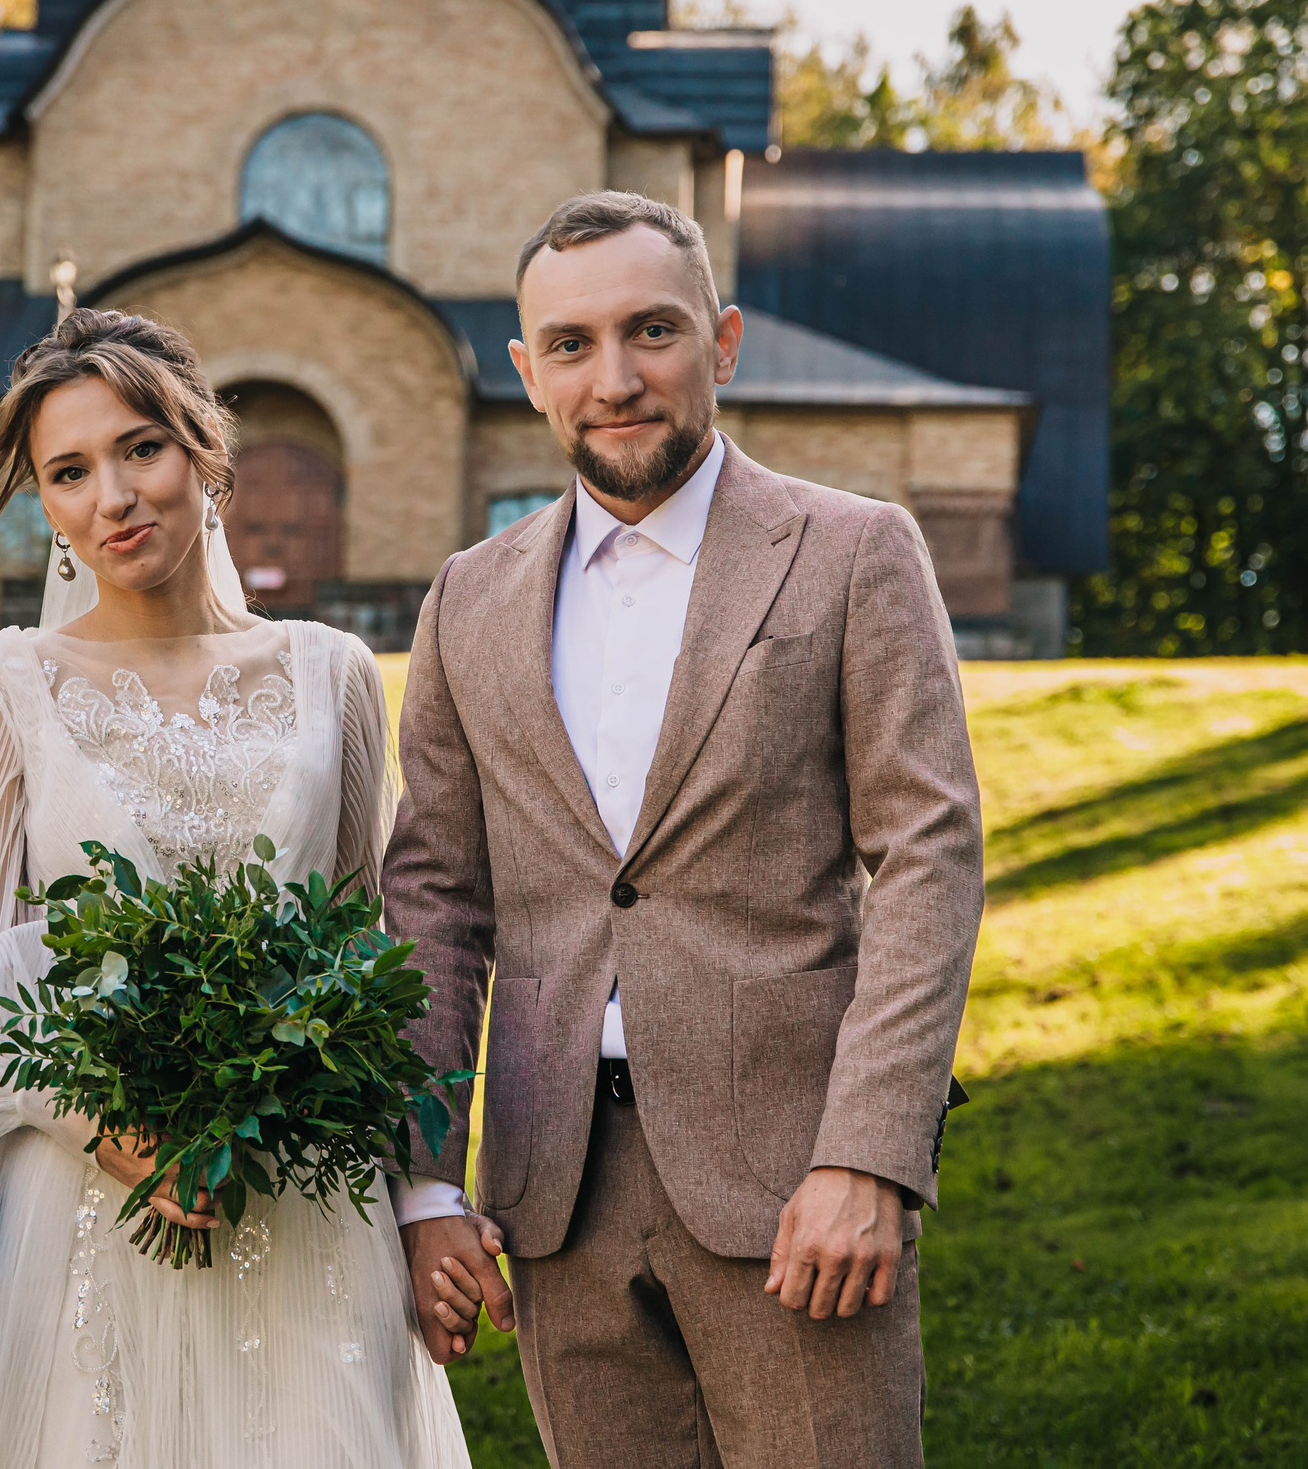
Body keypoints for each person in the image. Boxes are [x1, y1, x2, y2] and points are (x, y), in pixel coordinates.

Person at [385, 192, 988, 1469]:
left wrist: (869, 1158)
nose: (614, 379)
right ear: (527, 372)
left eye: (650, 333)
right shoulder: (467, 600)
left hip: (796, 1193)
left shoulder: (851, 552)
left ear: (719, 342)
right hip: (554, 1202)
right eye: (571, 345)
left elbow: (928, 857)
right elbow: (436, 899)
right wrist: (426, 1185)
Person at [0, 308, 480, 1469]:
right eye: (69, 472)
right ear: (48, 506)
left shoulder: (333, 674)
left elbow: (368, 955)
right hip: (86, 1205)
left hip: (307, 1193)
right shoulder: (0, 689)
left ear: (205, 451)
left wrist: (417, 1193)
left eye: (140, 448)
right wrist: (116, 1133)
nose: (112, 495)